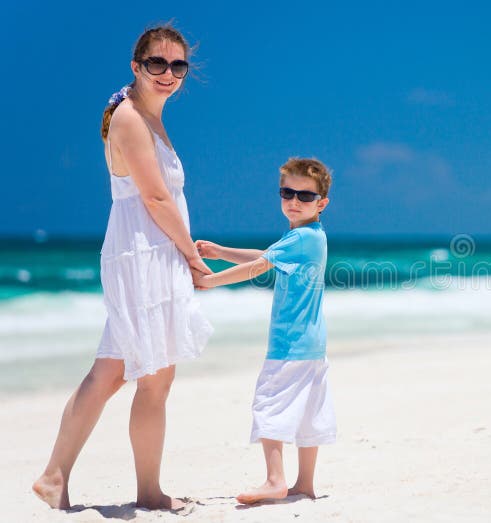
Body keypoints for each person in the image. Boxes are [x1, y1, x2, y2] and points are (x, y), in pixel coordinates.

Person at [32, 25, 213, 512]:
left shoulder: (146, 117)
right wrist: (192, 259)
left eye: (177, 66)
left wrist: (187, 246)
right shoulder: (131, 118)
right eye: (157, 64)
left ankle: (54, 477)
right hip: (143, 256)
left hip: (148, 251)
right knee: (154, 377)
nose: (168, 74)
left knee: (112, 373)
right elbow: (153, 196)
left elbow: (160, 196)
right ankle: (148, 492)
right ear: (137, 66)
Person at [193, 157, 336, 504]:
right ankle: (304, 484)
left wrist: (210, 281)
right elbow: (267, 255)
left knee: (268, 402)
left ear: (322, 203)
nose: (294, 201)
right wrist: (220, 252)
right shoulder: (309, 236)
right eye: (287, 193)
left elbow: (260, 266)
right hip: (312, 344)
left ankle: (275, 480)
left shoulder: (301, 236)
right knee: (307, 412)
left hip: (289, 344)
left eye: (304, 196)